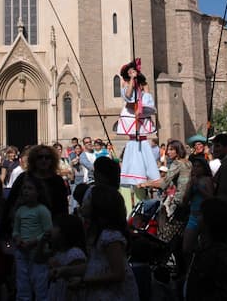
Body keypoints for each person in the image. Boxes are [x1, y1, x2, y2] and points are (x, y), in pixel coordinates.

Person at [71, 184, 138, 300]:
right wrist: (66, 271)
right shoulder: (96, 234)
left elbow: (118, 273)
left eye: (88, 200)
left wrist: (84, 281)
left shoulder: (109, 237)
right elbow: (94, 265)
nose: (83, 204)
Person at [185, 198, 227, 301]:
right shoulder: (208, 250)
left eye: (201, 215)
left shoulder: (219, 257)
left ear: (208, 223)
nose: (198, 218)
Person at [116, 60, 160, 189]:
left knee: (143, 144)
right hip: (131, 117)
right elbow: (128, 96)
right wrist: (131, 80)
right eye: (129, 72)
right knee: (133, 144)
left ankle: (147, 176)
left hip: (141, 116)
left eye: (133, 71)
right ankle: (133, 175)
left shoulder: (142, 84)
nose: (131, 73)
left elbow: (148, 99)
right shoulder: (126, 83)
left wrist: (141, 103)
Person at [12, 174, 53, 301]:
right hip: (22, 252)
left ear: (38, 192)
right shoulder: (20, 210)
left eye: (30, 189)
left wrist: (34, 241)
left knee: (40, 285)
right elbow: (15, 230)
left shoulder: (42, 210)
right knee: (23, 285)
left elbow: (48, 231)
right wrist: (18, 239)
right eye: (24, 188)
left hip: (38, 253)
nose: (26, 191)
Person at [40, 214, 86, 301]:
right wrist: (42, 241)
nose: (51, 229)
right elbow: (38, 259)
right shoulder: (58, 251)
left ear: (64, 231)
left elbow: (74, 283)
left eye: (55, 226)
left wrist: (58, 267)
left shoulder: (75, 253)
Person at [183, 157, 215, 255]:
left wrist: (199, 187)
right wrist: (190, 186)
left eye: (198, 166)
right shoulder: (192, 180)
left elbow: (211, 198)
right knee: (186, 248)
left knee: (206, 246)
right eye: (194, 166)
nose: (196, 169)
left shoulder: (207, 180)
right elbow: (185, 200)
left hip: (204, 216)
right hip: (193, 216)